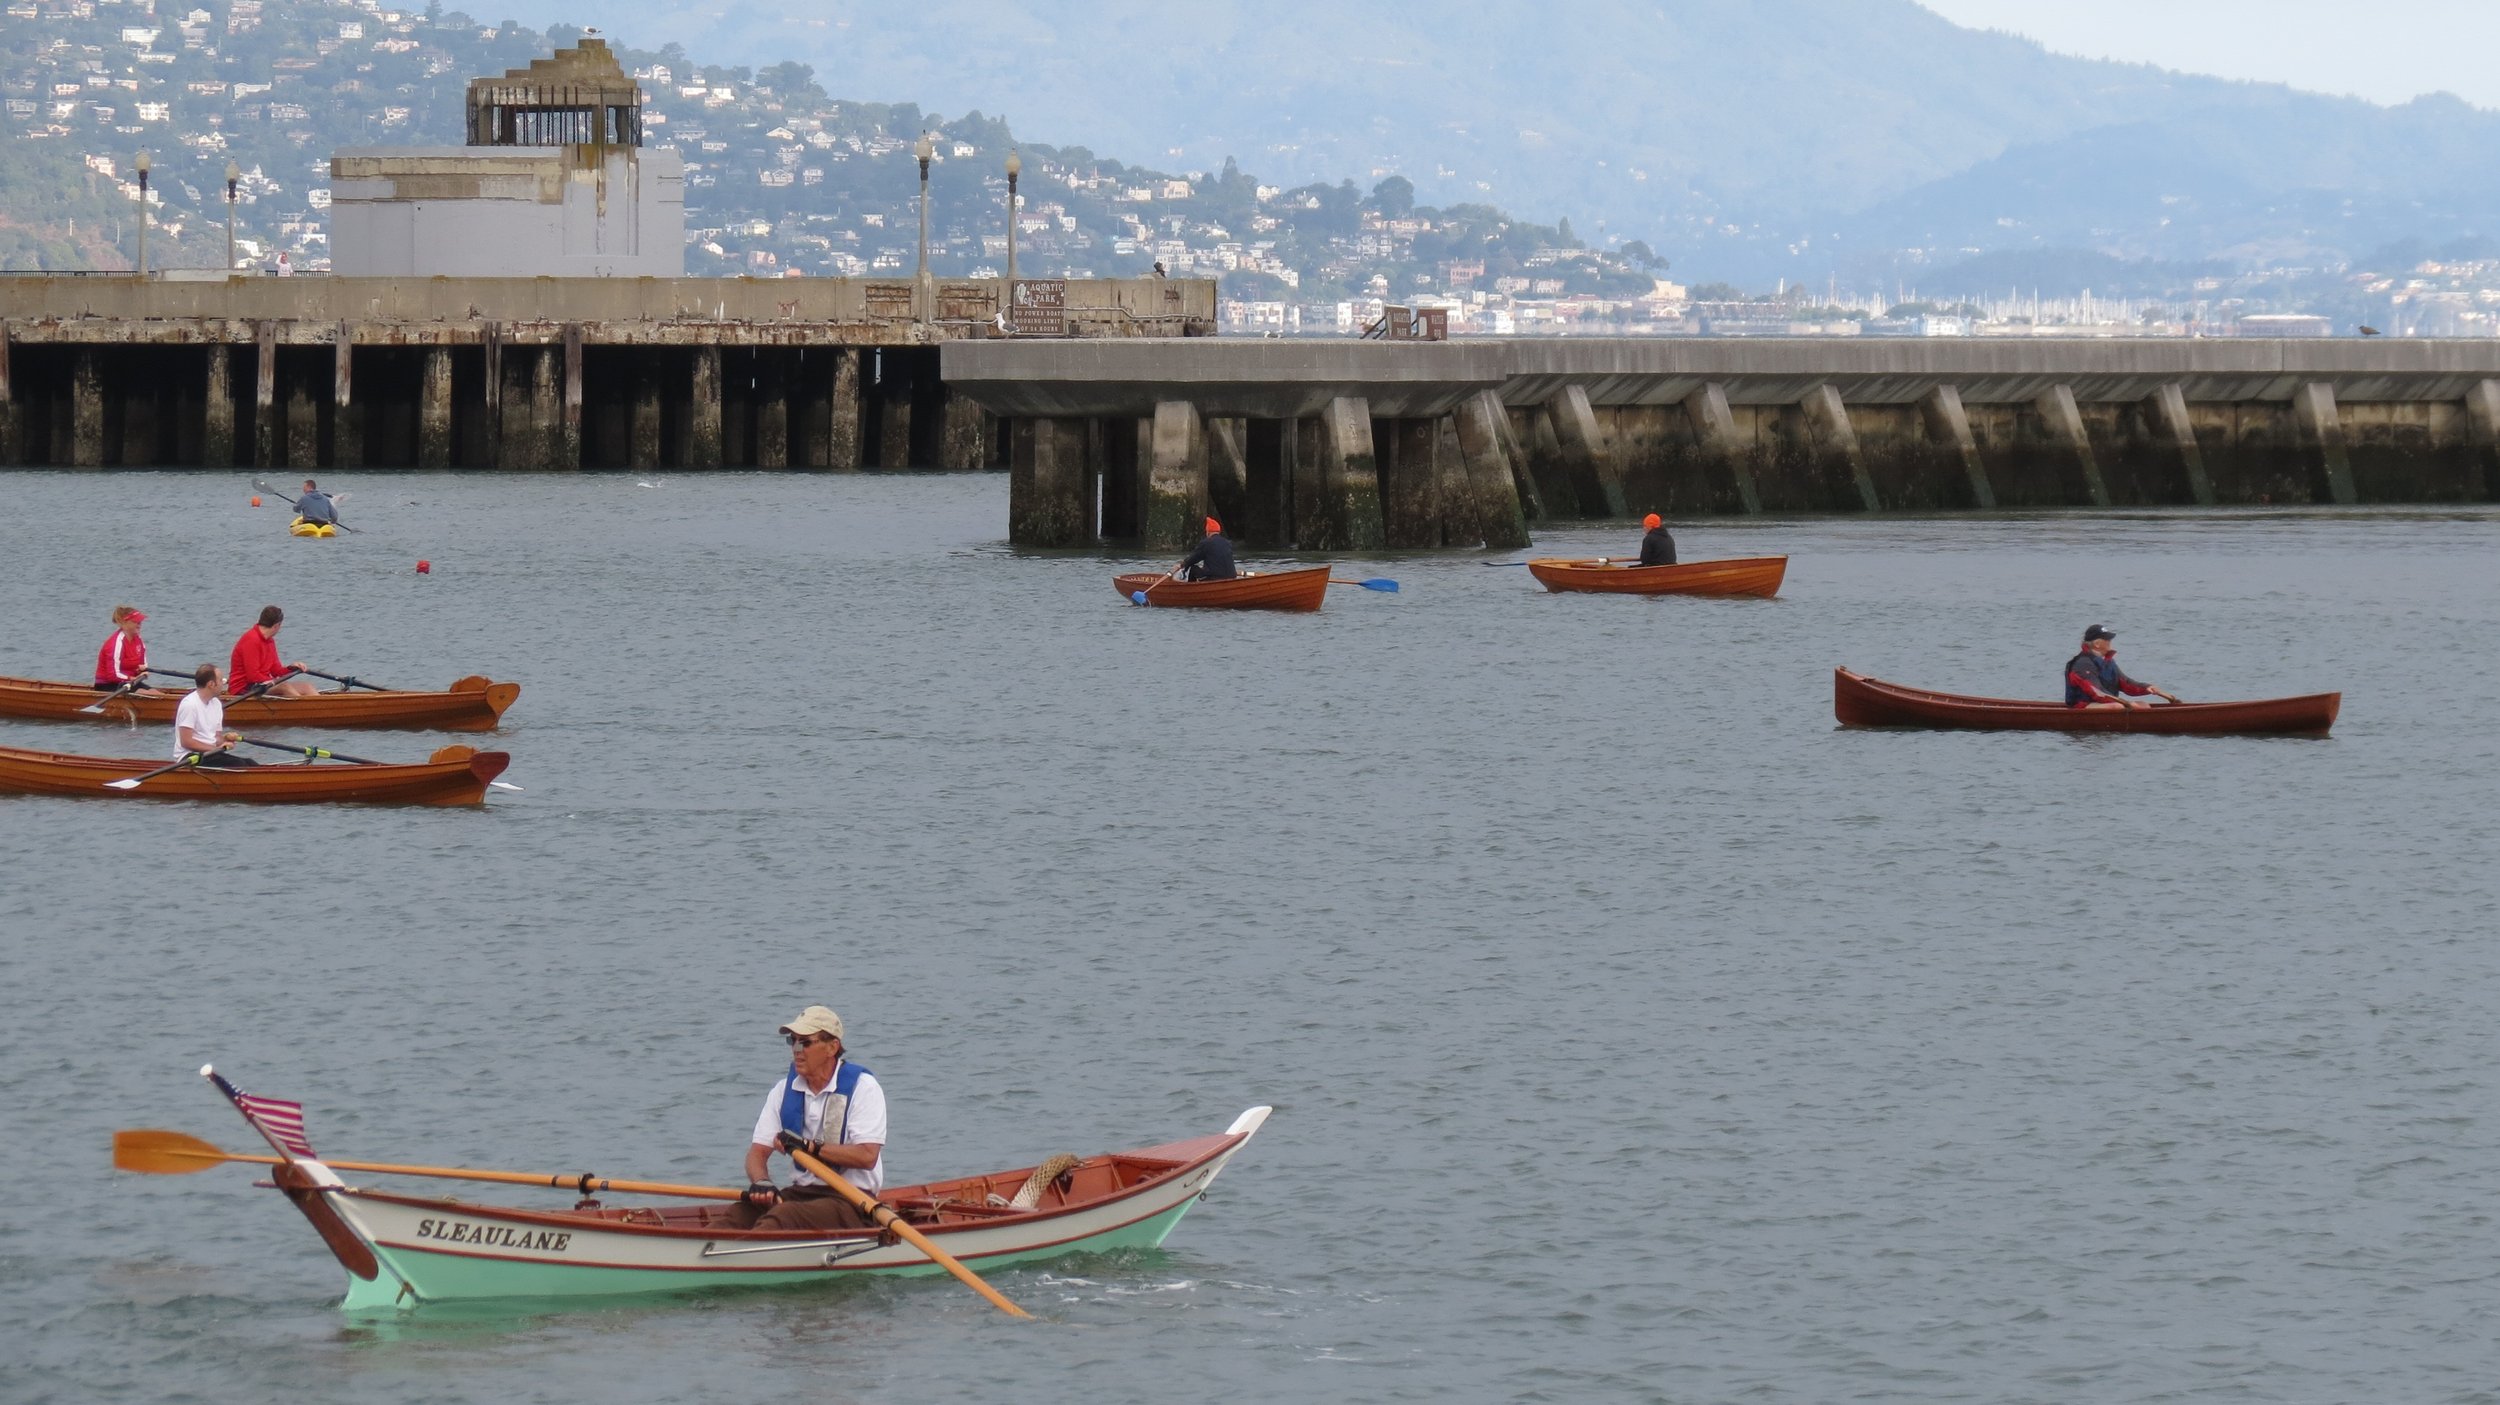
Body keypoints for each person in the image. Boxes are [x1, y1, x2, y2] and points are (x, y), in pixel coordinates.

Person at [712, 1006, 888, 1233]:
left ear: (832, 1047)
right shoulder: (782, 1091)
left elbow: (867, 1156)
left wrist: (809, 1147)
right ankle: (698, 1255)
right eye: (792, 1041)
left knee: (784, 1215)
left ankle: (738, 1262)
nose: (796, 1050)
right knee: (741, 1212)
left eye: (805, 1042)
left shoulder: (863, 1088)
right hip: (802, 1194)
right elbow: (757, 1152)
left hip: (853, 1201)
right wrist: (761, 1182)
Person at [2065, 624, 2179, 710]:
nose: (2110, 641)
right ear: (2097, 644)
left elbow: (2126, 684)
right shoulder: (2082, 664)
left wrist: (2147, 687)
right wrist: (2124, 703)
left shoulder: (2108, 662)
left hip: (2108, 703)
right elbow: (2096, 692)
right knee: (2117, 707)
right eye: (2107, 639)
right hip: (2083, 706)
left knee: (2143, 705)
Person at [173, 663, 254, 767]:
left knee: (250, 763)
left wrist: (226, 739)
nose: (223, 683)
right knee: (239, 764)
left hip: (210, 753)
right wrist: (216, 749)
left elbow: (216, 738)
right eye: (220, 680)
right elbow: (186, 742)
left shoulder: (216, 704)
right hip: (189, 757)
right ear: (211, 684)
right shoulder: (190, 704)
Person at [230, 605, 317, 699]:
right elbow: (253, 676)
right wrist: (274, 681)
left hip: (262, 684)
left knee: (306, 686)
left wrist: (292, 668)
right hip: (244, 689)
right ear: (276, 625)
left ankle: (321, 710)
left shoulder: (270, 641)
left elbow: (276, 671)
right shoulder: (251, 640)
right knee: (285, 687)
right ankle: (303, 710)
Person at [93, 605, 151, 690]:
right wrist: (132, 679)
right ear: (124, 622)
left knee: (156, 693)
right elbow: (113, 676)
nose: (139, 624)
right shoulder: (115, 643)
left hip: (129, 683)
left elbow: (143, 666)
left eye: (140, 622)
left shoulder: (138, 640)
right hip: (107, 685)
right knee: (149, 695)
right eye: (136, 621)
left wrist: (143, 672)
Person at [1175, 517, 1236, 582]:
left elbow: (1194, 558)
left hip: (1213, 577)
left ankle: (1191, 589)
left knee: (1193, 568)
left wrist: (1183, 565)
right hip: (1231, 576)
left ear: (1208, 532)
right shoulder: (1227, 543)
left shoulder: (1206, 543)